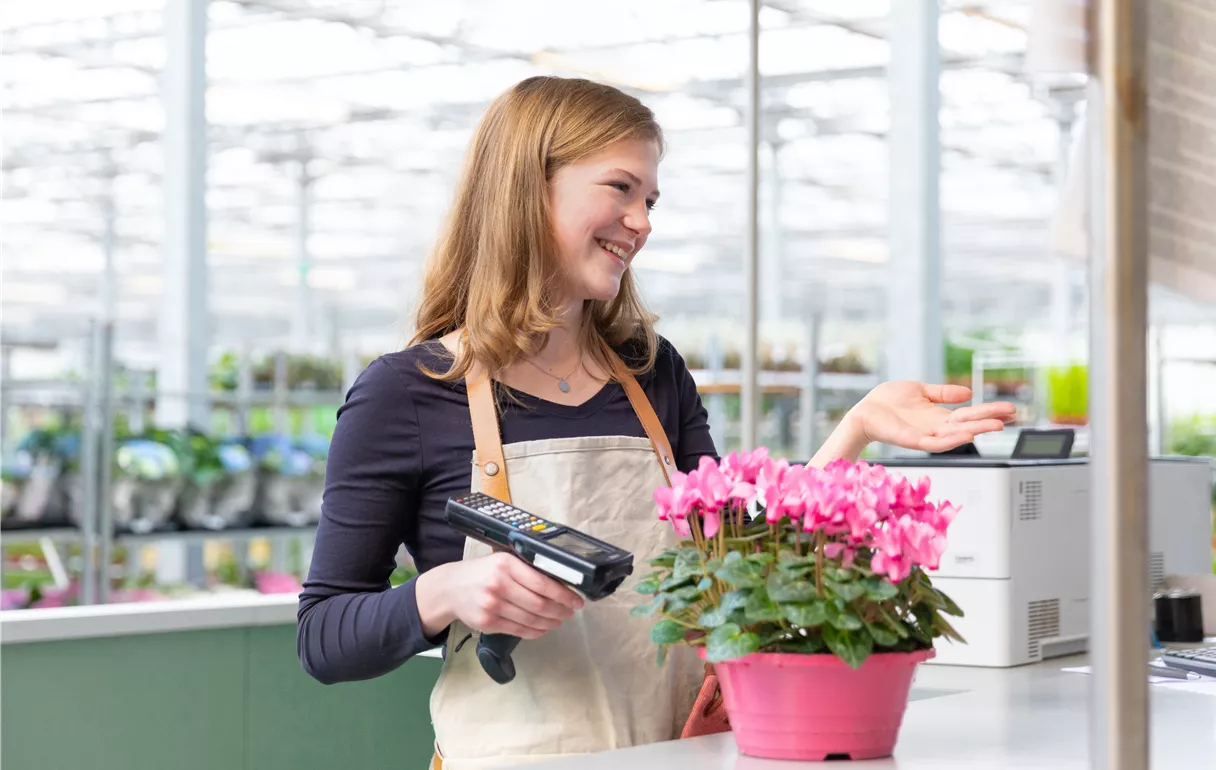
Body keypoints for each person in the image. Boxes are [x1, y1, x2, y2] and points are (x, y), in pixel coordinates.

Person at [296, 75, 1015, 769]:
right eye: (620, 188)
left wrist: (853, 431)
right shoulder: (408, 392)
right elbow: (323, 637)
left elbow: (740, 560)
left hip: (685, 754)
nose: (641, 223)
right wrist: (442, 593)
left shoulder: (652, 373)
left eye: (650, 198)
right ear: (527, 186)